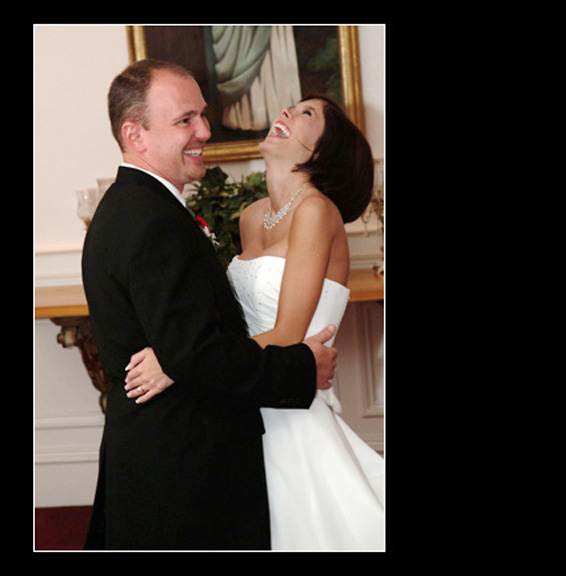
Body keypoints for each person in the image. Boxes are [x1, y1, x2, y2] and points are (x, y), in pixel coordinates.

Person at [80, 59, 340, 551]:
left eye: (201, 115)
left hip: (159, 456)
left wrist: (176, 357)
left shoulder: (127, 207)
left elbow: (185, 346)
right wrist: (303, 366)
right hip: (185, 472)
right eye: (185, 120)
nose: (204, 130)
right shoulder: (151, 219)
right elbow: (197, 355)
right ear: (135, 135)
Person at [125, 94, 386, 550]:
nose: (286, 112)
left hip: (291, 408)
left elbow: (287, 336)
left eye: (307, 114)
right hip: (243, 399)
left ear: (324, 151)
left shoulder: (316, 211)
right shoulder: (251, 217)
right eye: (291, 106)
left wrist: (175, 363)